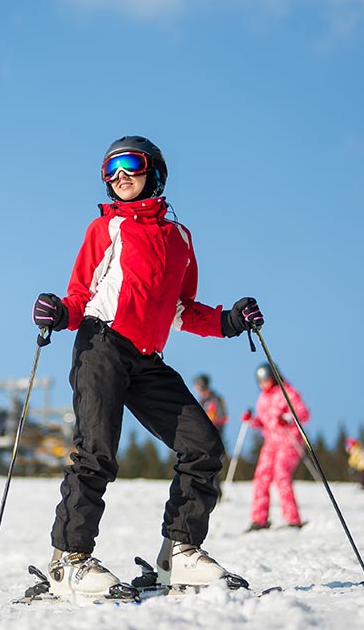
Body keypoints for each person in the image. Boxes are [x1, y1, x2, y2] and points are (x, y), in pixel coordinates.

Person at [30, 135, 264, 599]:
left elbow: (183, 308)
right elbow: (81, 295)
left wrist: (230, 321)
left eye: (129, 165)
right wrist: (59, 312)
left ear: (153, 171)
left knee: (203, 446)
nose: (119, 177)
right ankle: (69, 559)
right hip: (101, 345)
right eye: (110, 170)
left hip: (146, 358)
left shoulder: (179, 238)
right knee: (96, 451)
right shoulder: (105, 229)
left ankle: (179, 552)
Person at [245, 364, 310, 531]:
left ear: (274, 377)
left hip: (289, 441)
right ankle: (259, 519)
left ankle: (293, 519)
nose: (263, 384)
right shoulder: (263, 397)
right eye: (260, 382)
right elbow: (264, 422)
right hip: (271, 442)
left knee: (281, 474)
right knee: (261, 476)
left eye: (266, 380)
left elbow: (303, 413)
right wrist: (252, 420)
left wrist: (287, 418)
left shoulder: (287, 392)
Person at [192, 374, 228, 440]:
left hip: (212, 435)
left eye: (196, 385)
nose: (195, 388)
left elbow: (223, 418)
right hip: (203, 435)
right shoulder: (202, 401)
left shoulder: (215, 399)